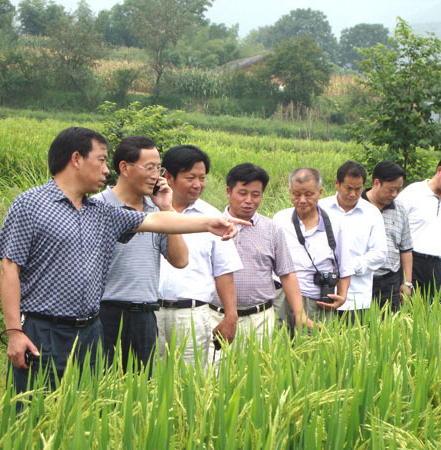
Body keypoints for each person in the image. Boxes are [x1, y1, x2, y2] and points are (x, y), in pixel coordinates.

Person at [0, 127, 245, 394]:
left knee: (87, 414)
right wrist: (13, 332)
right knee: (34, 410)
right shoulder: (30, 204)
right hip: (43, 330)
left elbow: (155, 220)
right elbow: (9, 268)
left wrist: (211, 223)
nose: (106, 170)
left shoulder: (100, 212)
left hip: (90, 331)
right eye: (101, 160)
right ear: (76, 159)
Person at [95, 136, 188, 373]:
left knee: (139, 395)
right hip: (106, 314)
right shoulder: (97, 206)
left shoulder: (156, 212)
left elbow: (180, 260)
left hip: (146, 316)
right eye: (149, 168)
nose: (156, 175)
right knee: (102, 389)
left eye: (159, 168)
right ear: (124, 168)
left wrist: (166, 209)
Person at [156, 145, 243, 366]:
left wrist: (231, 316)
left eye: (202, 178)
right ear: (168, 177)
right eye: (190, 177)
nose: (198, 185)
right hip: (151, 313)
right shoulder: (148, 212)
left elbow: (224, 271)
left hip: (192, 315)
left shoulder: (212, 217)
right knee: (148, 380)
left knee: (191, 383)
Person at [210, 163, 312, 342]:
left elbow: (287, 274)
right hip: (216, 316)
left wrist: (299, 314)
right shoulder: (210, 226)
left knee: (257, 369)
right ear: (228, 192)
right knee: (216, 368)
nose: (249, 200)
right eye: (243, 193)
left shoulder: (272, 230)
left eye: (255, 195)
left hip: (259, 320)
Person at [272, 168, 350, 327]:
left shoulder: (336, 224)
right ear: (290, 192)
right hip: (281, 297)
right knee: (278, 344)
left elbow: (346, 265)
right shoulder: (280, 219)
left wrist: (341, 296)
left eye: (309, 194)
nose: (301, 200)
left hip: (316, 300)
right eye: (296, 194)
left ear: (320, 192)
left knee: (312, 347)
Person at [319, 161, 387, 322]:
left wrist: (347, 268)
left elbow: (379, 253)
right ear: (337, 183)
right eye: (348, 188)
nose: (353, 194)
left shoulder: (372, 213)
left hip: (357, 297)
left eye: (358, 189)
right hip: (322, 293)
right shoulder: (320, 209)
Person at [397, 153, 441, 300]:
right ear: (439, 170)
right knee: (405, 310)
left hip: (436, 264)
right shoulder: (414, 192)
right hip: (411, 261)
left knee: (431, 314)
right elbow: (395, 226)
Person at [361, 161, 413, 312]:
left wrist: (407, 283)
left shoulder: (400, 208)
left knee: (389, 327)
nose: (394, 194)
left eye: (398, 189)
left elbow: (406, 248)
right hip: (362, 278)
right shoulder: (358, 206)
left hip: (390, 280)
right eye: (391, 189)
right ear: (377, 183)